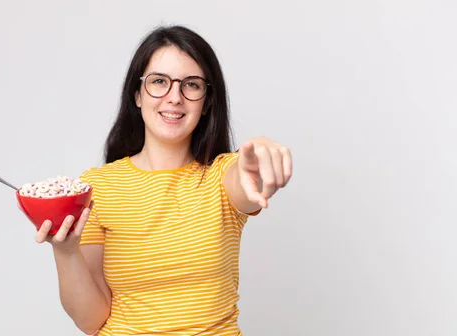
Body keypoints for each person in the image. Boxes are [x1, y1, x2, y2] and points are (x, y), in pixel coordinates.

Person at [31, 25, 292, 335]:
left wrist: (257, 157)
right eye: (159, 82)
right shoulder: (97, 187)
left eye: (191, 85)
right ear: (138, 95)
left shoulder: (222, 175)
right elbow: (91, 321)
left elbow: (245, 181)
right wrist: (66, 252)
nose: (174, 97)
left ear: (207, 102)